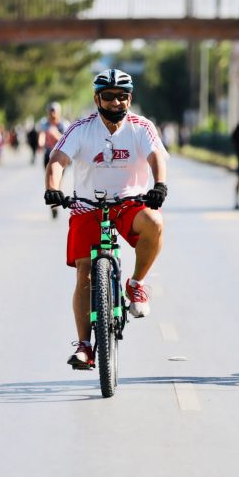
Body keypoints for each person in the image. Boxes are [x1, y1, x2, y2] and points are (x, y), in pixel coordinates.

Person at [44, 69, 169, 370]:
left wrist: (159, 185)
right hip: (88, 205)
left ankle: (136, 283)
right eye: (109, 96)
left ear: (130, 98)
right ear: (97, 98)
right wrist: (52, 189)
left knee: (155, 223)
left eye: (122, 96)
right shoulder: (80, 129)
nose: (115, 102)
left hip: (130, 202)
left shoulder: (142, 127)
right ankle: (85, 346)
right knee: (84, 272)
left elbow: (156, 158)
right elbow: (57, 161)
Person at [39, 102, 70, 218]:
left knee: (58, 181)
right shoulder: (44, 124)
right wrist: (41, 142)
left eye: (54, 111)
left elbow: (66, 140)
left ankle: (55, 204)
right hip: (48, 155)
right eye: (50, 111)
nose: (52, 114)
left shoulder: (64, 125)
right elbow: (41, 135)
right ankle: (54, 204)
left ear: (58, 112)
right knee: (50, 180)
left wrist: (55, 133)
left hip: (61, 156)